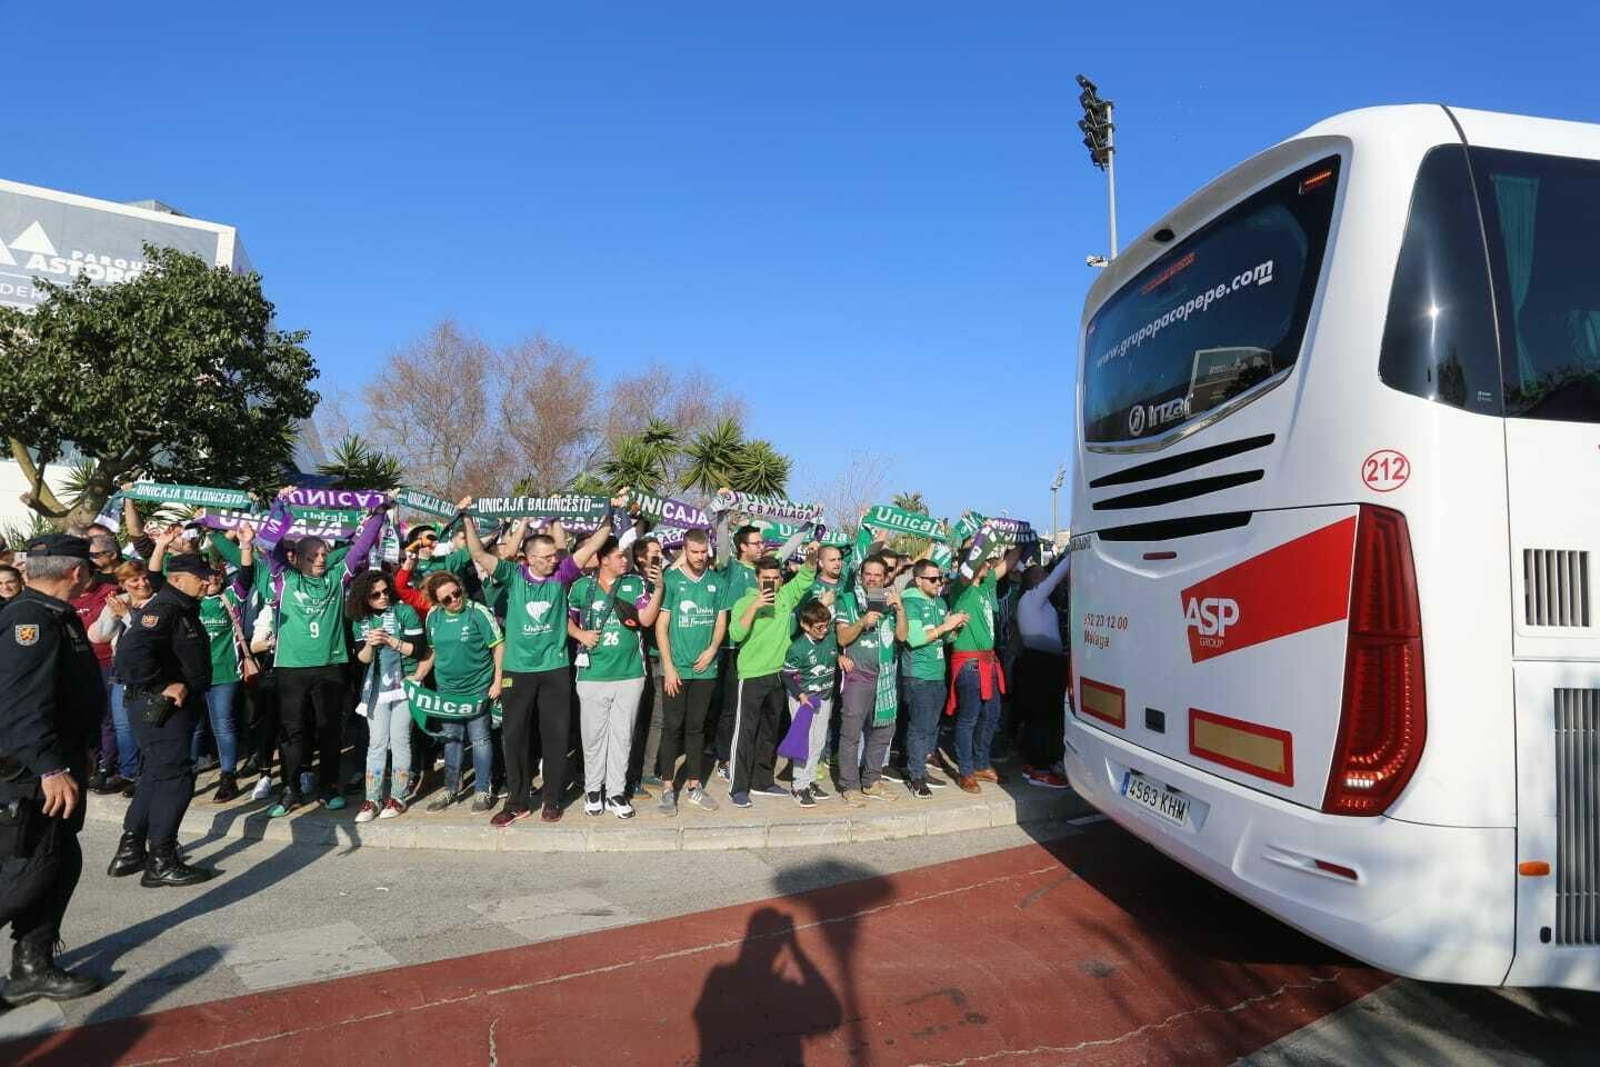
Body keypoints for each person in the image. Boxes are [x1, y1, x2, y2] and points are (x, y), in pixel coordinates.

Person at [458, 497, 615, 827]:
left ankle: (552, 798)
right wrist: (467, 518)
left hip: (555, 669)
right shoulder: (513, 575)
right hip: (518, 670)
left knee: (555, 735)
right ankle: (517, 801)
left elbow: (599, 540)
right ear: (528, 558)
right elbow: (478, 555)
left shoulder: (563, 573)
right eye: (544, 558)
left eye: (553, 556)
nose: (551, 561)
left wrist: (609, 508)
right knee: (514, 736)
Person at [0, 535, 105, 1003]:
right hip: (31, 772)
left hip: (62, 759)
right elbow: (22, 705)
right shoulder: (30, 620)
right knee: (28, 872)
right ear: (77, 573)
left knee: (59, 861)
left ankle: (32, 964)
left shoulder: (56, 616)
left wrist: (76, 752)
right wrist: (48, 767)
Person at [265, 497, 386, 818]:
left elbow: (360, 548)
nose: (320, 559)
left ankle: (329, 786)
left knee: (330, 729)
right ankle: (290, 789)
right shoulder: (285, 579)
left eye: (323, 554)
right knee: (292, 732)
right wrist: (279, 506)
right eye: (313, 555)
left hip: (331, 667)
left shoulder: (336, 578)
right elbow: (270, 546)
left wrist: (379, 513)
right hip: (291, 669)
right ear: (299, 559)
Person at [107, 553, 215, 887]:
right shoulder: (165, 609)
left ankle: (131, 850)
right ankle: (162, 860)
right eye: (200, 576)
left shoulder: (179, 607)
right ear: (179, 578)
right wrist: (162, 685)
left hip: (163, 708)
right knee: (175, 778)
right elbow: (128, 655)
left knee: (155, 775)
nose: (207, 581)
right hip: (160, 708)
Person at [568, 537, 662, 818]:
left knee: (622, 736)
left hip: (630, 673)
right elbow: (561, 616)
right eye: (619, 556)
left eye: (625, 556)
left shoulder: (635, 584)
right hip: (592, 673)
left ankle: (616, 792)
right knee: (594, 735)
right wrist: (579, 634)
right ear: (602, 559)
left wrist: (659, 588)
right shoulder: (581, 587)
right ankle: (594, 789)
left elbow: (646, 620)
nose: (625, 560)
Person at [726, 545, 818, 808]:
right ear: (757, 579)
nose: (771, 583)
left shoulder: (786, 595)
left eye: (776, 578)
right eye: (766, 578)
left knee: (769, 732)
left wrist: (811, 556)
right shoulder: (745, 601)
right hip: (752, 675)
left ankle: (762, 780)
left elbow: (805, 577)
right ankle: (738, 787)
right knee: (745, 732)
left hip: (779, 675)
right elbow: (735, 634)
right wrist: (755, 606)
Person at [411, 571, 502, 814]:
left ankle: (483, 789)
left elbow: (498, 645)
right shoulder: (433, 617)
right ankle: (450, 788)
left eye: (456, 593)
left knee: (480, 739)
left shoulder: (477, 612)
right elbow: (432, 651)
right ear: (437, 602)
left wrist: (497, 680)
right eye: (447, 599)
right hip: (448, 692)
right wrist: (417, 676)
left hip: (478, 689)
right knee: (451, 740)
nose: (454, 600)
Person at [654, 529, 726, 816]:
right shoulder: (671, 580)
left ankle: (695, 786)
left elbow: (720, 622)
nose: (699, 557)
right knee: (672, 728)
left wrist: (711, 650)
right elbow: (661, 627)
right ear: (685, 550)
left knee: (697, 728)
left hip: (705, 670)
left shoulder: (716, 582)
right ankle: (668, 789)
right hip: (677, 669)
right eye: (694, 552)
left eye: (703, 551)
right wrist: (668, 667)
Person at [945, 542, 1024, 792]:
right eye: (983, 561)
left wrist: (1020, 543)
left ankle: (981, 763)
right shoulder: (961, 588)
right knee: (968, 718)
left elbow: (1007, 564)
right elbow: (968, 570)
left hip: (989, 661)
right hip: (969, 664)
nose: (988, 564)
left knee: (991, 716)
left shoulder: (986, 584)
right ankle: (966, 771)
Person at [347, 570, 425, 822]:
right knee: (377, 742)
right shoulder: (360, 620)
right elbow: (362, 659)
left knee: (400, 739)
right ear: (364, 598)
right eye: (375, 595)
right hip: (375, 688)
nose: (383, 597)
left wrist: (392, 641)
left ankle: (399, 796)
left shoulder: (405, 612)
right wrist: (370, 643)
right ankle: (372, 799)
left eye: (385, 591)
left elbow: (418, 650)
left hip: (403, 683)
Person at [834, 555, 902, 805]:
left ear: (886, 578)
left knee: (885, 730)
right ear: (861, 576)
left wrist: (900, 608)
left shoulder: (890, 603)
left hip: (885, 677)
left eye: (877, 575)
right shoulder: (848, 600)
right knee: (851, 733)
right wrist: (862, 622)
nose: (872, 578)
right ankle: (849, 785)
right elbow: (841, 639)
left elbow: (903, 636)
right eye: (868, 574)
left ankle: (872, 780)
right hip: (858, 677)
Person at [194, 525, 256, 802]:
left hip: (224, 673)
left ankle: (228, 777)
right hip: (191, 676)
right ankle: (182, 770)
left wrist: (245, 546)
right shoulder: (186, 603)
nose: (212, 580)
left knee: (223, 725)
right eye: (206, 577)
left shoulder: (229, 597)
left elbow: (246, 574)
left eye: (216, 574)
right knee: (191, 727)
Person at [898, 562, 967, 798]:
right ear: (918, 581)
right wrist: (945, 626)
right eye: (933, 579)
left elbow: (944, 639)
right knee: (919, 727)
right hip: (918, 675)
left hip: (938, 673)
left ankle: (921, 769)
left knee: (931, 726)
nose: (939, 583)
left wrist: (955, 629)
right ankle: (915, 776)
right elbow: (915, 639)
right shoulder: (911, 602)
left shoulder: (939, 602)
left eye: (941, 579)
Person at [1013, 552, 1072, 788]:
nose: (1045, 576)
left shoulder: (1037, 601)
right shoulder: (1031, 598)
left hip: (1043, 661)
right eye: (1040, 575)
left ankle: (1032, 764)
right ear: (1032, 581)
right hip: (1041, 663)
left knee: (1038, 717)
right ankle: (1040, 769)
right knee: (1044, 718)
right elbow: (1056, 576)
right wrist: (1074, 552)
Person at [781, 600, 839, 808]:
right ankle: (799, 785)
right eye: (818, 627)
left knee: (819, 743)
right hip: (804, 701)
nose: (824, 631)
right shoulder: (798, 648)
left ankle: (810, 779)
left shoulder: (830, 638)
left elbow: (835, 655)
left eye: (826, 626)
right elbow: (786, 676)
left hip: (824, 699)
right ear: (805, 625)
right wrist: (801, 695)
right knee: (804, 743)